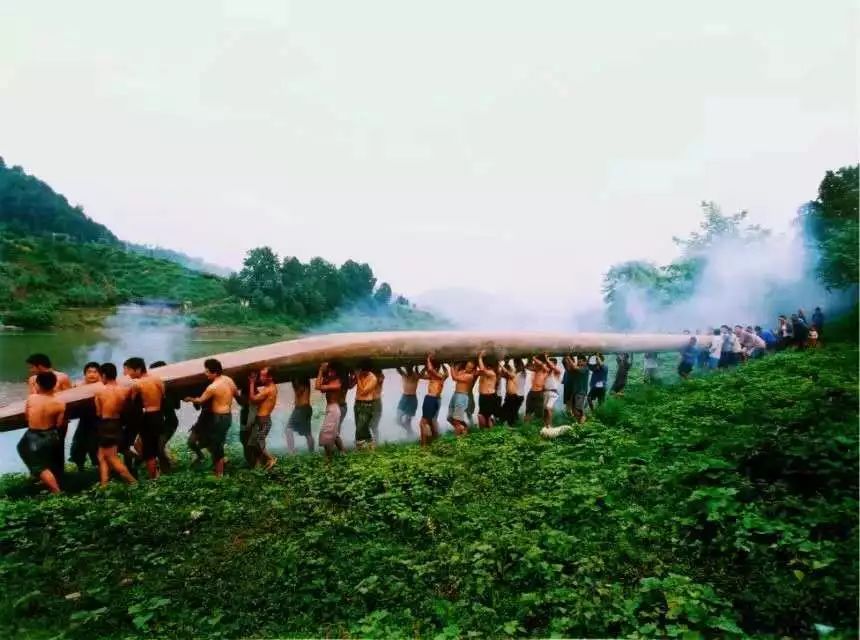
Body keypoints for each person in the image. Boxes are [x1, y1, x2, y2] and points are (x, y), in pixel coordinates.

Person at [183, 358, 238, 477]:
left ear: (214, 372)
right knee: (216, 444)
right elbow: (236, 394)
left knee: (217, 446)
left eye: (207, 371)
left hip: (219, 418)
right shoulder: (228, 380)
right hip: (227, 416)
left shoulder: (212, 387)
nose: (205, 373)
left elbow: (200, 400)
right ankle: (220, 467)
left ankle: (220, 474)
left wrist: (189, 399)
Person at [17, 371, 65, 494]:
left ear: (38, 384)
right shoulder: (60, 403)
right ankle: (48, 480)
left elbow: (27, 417)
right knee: (45, 459)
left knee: (37, 464)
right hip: (52, 435)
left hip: (34, 436)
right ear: (54, 385)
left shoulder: (32, 398)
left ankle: (56, 491)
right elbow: (59, 424)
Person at [26, 353, 71, 483]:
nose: (31, 371)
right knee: (37, 449)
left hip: (58, 419)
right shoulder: (33, 379)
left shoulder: (62, 377)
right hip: (39, 422)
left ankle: (59, 477)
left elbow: (71, 398)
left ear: (39, 366)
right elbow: (31, 399)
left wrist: (64, 419)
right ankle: (41, 478)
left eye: (32, 367)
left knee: (57, 448)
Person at [93, 363, 137, 487]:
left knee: (112, 458)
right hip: (117, 423)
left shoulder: (99, 392)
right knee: (101, 456)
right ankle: (104, 484)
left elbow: (98, 412)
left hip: (105, 424)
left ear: (104, 376)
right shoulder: (125, 390)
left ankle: (133, 482)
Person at [123, 357, 165, 479]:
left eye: (130, 370)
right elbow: (163, 396)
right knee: (155, 446)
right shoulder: (157, 380)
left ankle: (154, 478)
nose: (128, 374)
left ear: (138, 369)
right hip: (158, 416)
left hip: (148, 417)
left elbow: (130, 401)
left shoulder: (137, 384)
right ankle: (158, 473)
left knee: (148, 451)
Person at [69, 361, 101, 472]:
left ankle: (98, 467)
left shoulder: (102, 385)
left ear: (100, 374)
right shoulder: (78, 385)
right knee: (78, 444)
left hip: (98, 419)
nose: (92, 374)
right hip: (84, 419)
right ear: (85, 374)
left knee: (95, 444)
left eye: (95, 372)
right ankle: (80, 468)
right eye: (89, 372)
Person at [150, 361, 179, 473]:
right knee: (156, 447)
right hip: (158, 422)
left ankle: (166, 469)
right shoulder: (154, 388)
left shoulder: (170, 388)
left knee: (159, 447)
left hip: (169, 422)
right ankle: (167, 464)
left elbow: (176, 406)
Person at [247, 367, 278, 469]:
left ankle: (271, 459)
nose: (260, 378)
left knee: (258, 443)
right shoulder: (269, 387)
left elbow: (253, 398)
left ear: (270, 377)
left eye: (263, 376)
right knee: (253, 444)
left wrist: (251, 383)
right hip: (262, 419)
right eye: (260, 375)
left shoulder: (269, 389)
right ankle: (258, 465)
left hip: (263, 420)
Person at [315, 362, 347, 460]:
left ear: (336, 372)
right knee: (334, 433)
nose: (329, 372)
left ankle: (328, 458)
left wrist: (320, 371)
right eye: (329, 370)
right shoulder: (330, 381)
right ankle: (343, 452)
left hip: (334, 409)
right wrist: (323, 373)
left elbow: (317, 387)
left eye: (331, 371)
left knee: (326, 433)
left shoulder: (337, 382)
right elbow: (320, 387)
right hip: (330, 408)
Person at [418, 355, 447, 445]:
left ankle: (424, 446)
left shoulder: (439, 376)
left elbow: (430, 370)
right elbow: (420, 375)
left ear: (436, 368)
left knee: (423, 423)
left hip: (431, 399)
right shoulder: (435, 377)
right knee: (430, 422)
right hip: (431, 399)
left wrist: (428, 359)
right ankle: (434, 441)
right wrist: (425, 367)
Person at [353, 360, 378, 449]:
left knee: (360, 428)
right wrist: (353, 376)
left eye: (363, 371)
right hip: (357, 404)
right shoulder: (360, 375)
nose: (362, 372)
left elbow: (363, 391)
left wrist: (357, 377)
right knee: (360, 427)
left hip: (366, 405)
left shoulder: (373, 378)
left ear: (368, 370)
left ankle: (365, 445)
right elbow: (351, 385)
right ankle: (365, 445)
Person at [447, 361, 476, 435]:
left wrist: (451, 367)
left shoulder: (470, 376)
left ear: (472, 369)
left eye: (470, 368)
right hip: (455, 394)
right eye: (467, 366)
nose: (468, 368)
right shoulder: (462, 371)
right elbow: (456, 373)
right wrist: (456, 366)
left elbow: (454, 377)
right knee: (449, 418)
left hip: (462, 396)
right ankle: (464, 428)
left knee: (457, 420)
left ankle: (459, 437)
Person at [286, 377, 314, 453]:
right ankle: (311, 452)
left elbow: (298, 392)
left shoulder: (302, 383)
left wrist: (294, 381)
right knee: (307, 433)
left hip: (301, 409)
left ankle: (291, 451)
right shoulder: (305, 381)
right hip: (304, 409)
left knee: (288, 429)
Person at [475, 351, 500, 429]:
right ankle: (484, 432)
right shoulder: (484, 373)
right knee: (482, 416)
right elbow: (480, 369)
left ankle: (489, 433)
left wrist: (480, 357)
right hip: (483, 396)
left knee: (487, 417)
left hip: (489, 397)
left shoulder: (492, 373)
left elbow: (482, 369)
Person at [499, 359, 525, 425]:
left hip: (514, 397)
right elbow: (502, 374)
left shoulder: (515, 375)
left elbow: (507, 372)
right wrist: (505, 363)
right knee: (504, 412)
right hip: (509, 396)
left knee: (512, 414)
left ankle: (513, 427)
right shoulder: (510, 376)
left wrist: (500, 364)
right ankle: (505, 425)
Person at [395, 365, 420, 432]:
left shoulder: (416, 376)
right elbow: (398, 368)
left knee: (407, 422)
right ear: (405, 368)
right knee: (397, 420)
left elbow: (418, 373)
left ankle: (410, 435)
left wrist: (416, 366)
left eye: (409, 367)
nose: (408, 369)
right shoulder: (404, 375)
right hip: (404, 398)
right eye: (406, 367)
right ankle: (409, 431)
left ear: (412, 368)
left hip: (412, 399)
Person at [524, 356, 548, 421]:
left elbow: (541, 364)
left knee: (539, 414)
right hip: (531, 392)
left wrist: (534, 358)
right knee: (528, 411)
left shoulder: (545, 370)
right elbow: (526, 366)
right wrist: (529, 359)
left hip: (539, 393)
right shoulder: (535, 369)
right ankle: (525, 427)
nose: (534, 363)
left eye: (535, 362)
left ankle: (539, 426)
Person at [541, 355, 562, 428]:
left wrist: (546, 359)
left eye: (551, 363)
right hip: (545, 392)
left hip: (553, 393)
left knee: (548, 407)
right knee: (545, 411)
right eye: (548, 363)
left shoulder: (557, 371)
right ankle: (545, 425)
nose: (549, 364)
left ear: (555, 364)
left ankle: (550, 425)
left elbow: (552, 367)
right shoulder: (546, 372)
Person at [370, 367, 385, 443]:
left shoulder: (380, 377)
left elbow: (380, 380)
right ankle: (371, 440)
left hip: (376, 402)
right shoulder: (370, 377)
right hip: (369, 402)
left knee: (374, 425)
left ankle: (376, 442)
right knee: (369, 424)